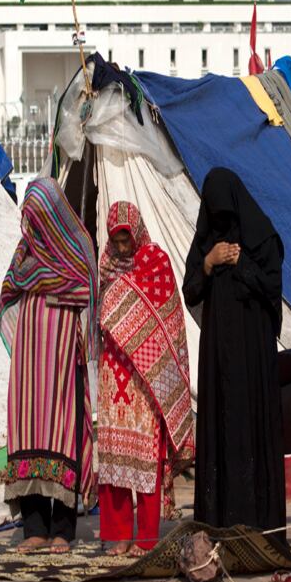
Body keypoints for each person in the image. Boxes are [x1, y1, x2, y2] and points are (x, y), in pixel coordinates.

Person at [182, 167, 286, 538]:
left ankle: (258, 524)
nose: (223, 222)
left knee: (250, 427)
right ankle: (220, 522)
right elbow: (190, 290)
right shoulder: (205, 243)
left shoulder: (262, 239)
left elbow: (273, 286)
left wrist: (241, 263)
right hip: (218, 359)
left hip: (253, 358)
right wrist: (209, 262)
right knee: (221, 429)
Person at [0, 177, 98, 554]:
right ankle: (34, 529)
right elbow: (9, 289)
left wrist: (47, 286)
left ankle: (63, 530)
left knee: (64, 436)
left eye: (40, 219)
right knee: (29, 435)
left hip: (61, 361)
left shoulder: (77, 248)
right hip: (29, 365)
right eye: (30, 220)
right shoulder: (25, 252)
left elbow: (86, 289)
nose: (34, 227)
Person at [96, 202, 194, 557]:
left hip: (147, 376)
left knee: (145, 457)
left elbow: (169, 321)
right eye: (116, 241)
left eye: (126, 240)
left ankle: (147, 537)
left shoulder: (156, 261)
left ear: (136, 233)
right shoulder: (105, 265)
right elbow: (102, 311)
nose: (122, 248)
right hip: (113, 369)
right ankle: (119, 535)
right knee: (114, 456)